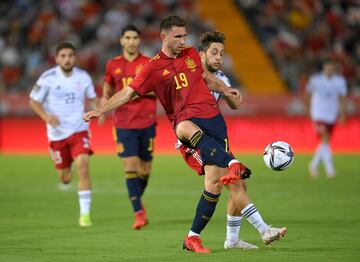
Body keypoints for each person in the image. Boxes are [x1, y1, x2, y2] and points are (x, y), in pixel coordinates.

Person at [83, 15, 286, 253]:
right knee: (190, 135)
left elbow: (206, 79)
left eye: (184, 36)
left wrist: (225, 89)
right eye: (178, 36)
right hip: (188, 124)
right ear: (164, 37)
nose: (182, 40)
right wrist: (100, 108)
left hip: (215, 122)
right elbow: (127, 94)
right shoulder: (153, 67)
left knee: (218, 184)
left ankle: (198, 237)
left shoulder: (190, 54)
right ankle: (263, 227)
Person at [178, 30, 287, 250]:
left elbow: (235, 105)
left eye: (221, 53)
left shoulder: (223, 79)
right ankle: (264, 230)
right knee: (228, 181)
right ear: (201, 55)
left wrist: (229, 92)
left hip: (215, 137)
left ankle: (228, 239)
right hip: (194, 138)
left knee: (232, 184)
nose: (219, 57)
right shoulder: (190, 75)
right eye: (214, 53)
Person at [29, 41, 102, 227]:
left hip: (79, 130)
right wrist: (46, 117)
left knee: (83, 167)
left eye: (70, 55)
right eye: (63, 56)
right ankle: (63, 170)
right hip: (57, 135)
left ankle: (84, 215)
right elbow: (33, 101)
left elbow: (93, 98)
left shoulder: (83, 77)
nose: (67, 59)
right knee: (65, 177)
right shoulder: (47, 78)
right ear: (56, 59)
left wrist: (98, 111)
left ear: (74, 57)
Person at [102, 25, 157, 230]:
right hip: (123, 123)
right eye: (128, 37)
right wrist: (103, 103)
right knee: (130, 166)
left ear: (139, 41)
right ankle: (139, 213)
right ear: (121, 41)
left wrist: (134, 92)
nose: (132, 41)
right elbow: (107, 88)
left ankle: (136, 199)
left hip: (147, 121)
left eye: (135, 37)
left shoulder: (149, 64)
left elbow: (158, 90)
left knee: (145, 170)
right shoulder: (112, 65)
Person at [305, 60, 347, 179]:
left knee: (325, 141)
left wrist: (343, 113)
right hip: (318, 114)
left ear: (334, 69)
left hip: (331, 115)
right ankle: (330, 169)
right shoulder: (315, 80)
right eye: (327, 68)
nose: (329, 70)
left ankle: (313, 165)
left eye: (331, 68)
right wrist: (308, 110)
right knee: (325, 138)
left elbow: (343, 98)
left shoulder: (340, 81)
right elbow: (307, 94)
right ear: (324, 68)